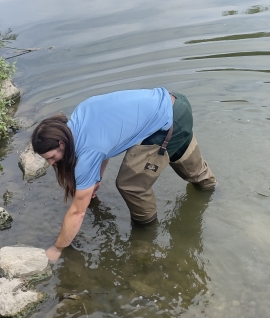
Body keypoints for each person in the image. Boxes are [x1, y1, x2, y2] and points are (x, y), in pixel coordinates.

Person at [31, 87, 216, 262]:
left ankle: (146, 233)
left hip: (168, 125)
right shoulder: (80, 115)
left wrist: (57, 249)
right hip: (176, 105)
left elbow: (77, 212)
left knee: (130, 184)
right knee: (186, 157)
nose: (51, 163)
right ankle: (212, 189)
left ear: (60, 142)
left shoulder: (88, 152)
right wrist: (97, 180)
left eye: (52, 157)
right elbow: (105, 148)